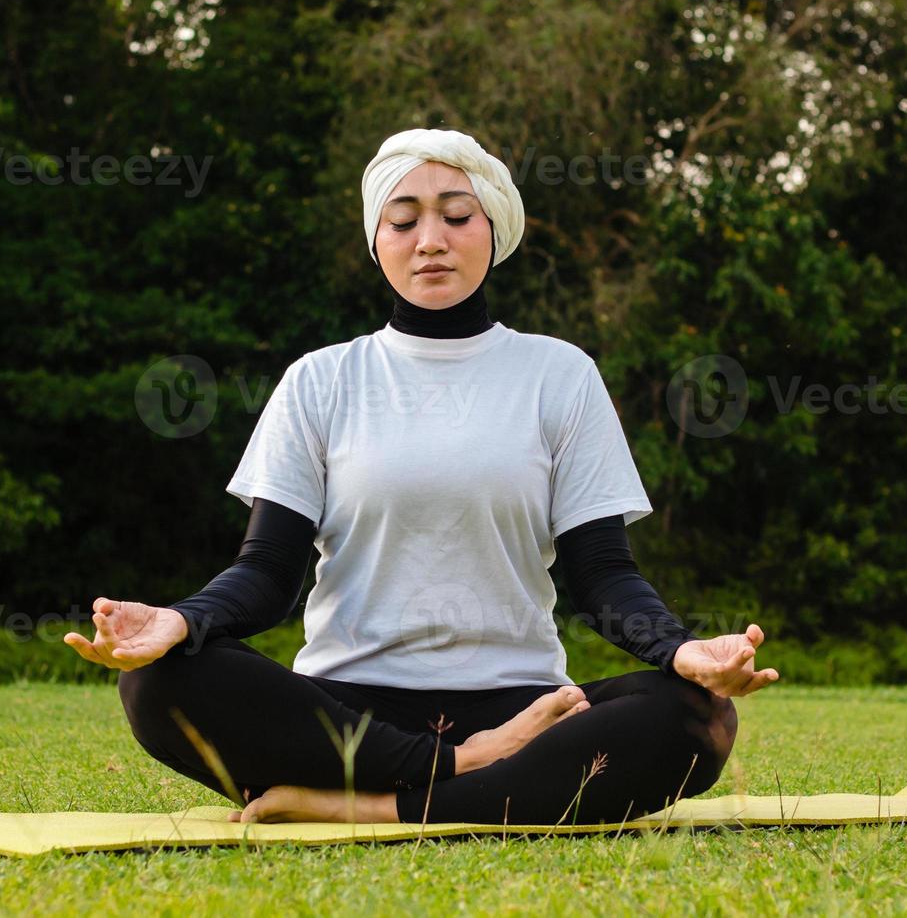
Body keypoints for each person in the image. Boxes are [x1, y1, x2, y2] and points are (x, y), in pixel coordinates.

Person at [64, 127, 779, 826]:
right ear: (377, 243)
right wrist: (181, 620)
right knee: (158, 680)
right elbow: (267, 572)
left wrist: (681, 650)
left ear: (493, 229)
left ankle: (367, 806)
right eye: (402, 221)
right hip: (351, 717)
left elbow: (602, 576)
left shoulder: (560, 375)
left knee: (695, 716)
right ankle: (466, 771)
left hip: (522, 707)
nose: (430, 240)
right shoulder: (321, 379)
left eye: (456, 216)